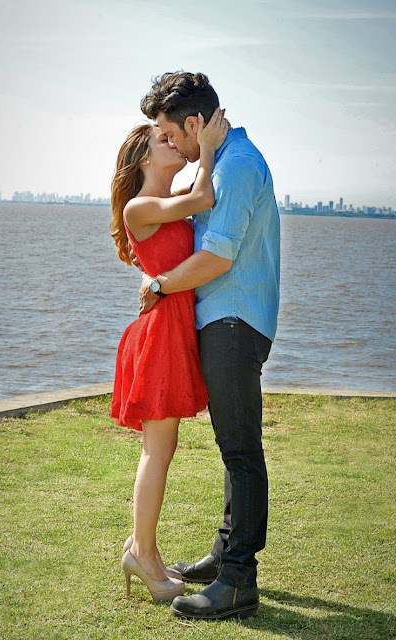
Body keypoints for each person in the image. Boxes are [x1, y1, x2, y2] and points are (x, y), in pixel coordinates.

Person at [138, 72, 280, 620]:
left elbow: (218, 258)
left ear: (195, 124)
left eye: (172, 134)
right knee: (231, 446)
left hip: (234, 320)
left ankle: (239, 579)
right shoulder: (220, 162)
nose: (170, 143)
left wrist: (159, 285)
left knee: (240, 449)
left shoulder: (236, 166)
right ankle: (226, 555)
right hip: (223, 318)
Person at [109, 108, 228, 601]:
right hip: (159, 335)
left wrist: (153, 278)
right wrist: (209, 148)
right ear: (143, 159)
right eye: (164, 140)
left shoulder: (165, 199)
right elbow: (204, 197)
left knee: (163, 449)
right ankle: (143, 554)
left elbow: (193, 206)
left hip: (172, 328)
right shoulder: (139, 207)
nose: (174, 144)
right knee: (157, 452)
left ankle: (141, 549)